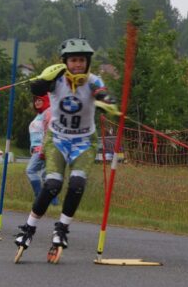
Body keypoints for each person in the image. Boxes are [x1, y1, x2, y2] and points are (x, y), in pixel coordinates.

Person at [14, 38, 119, 261]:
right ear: (65, 62)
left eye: (82, 60)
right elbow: (36, 88)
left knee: (78, 184)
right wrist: (45, 77)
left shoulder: (93, 80)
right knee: (52, 184)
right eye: (73, 60)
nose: (78, 64)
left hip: (84, 142)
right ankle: (29, 228)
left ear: (88, 62)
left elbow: (101, 93)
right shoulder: (56, 80)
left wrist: (108, 101)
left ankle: (61, 229)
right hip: (57, 139)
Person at [25, 93, 58, 205]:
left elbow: (50, 130)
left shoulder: (48, 112)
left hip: (43, 148)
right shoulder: (39, 115)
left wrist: (43, 147)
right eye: (35, 100)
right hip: (38, 148)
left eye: (40, 100)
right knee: (46, 175)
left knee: (31, 170)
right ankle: (53, 202)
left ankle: (39, 198)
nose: (37, 102)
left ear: (46, 100)